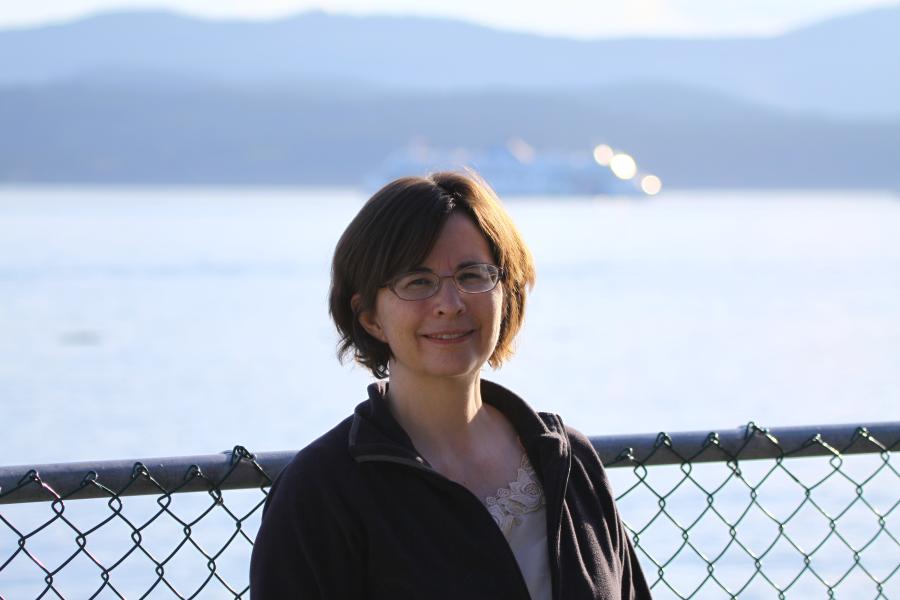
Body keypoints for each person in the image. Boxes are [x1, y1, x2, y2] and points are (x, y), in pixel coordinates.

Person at [250, 172, 652, 599]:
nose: (450, 304)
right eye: (418, 282)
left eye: (472, 275)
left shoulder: (570, 464)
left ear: (506, 293)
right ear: (369, 316)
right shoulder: (321, 493)